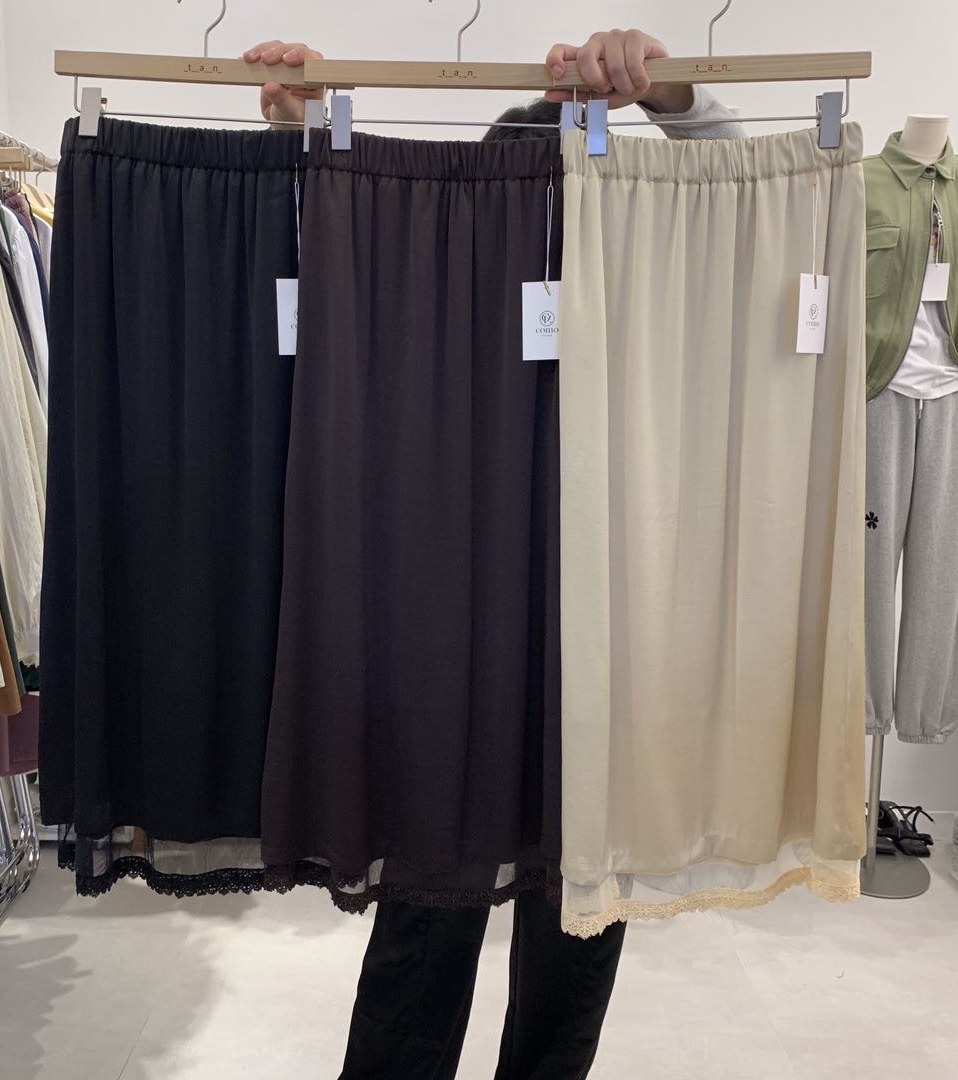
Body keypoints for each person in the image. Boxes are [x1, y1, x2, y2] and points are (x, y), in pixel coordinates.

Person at [243, 29, 745, 1080]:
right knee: (433, 908)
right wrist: (309, 131)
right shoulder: (433, 305)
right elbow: (335, 238)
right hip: (456, 641)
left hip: (603, 641)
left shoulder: (655, 276)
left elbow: (748, 198)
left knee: (578, 908)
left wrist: (676, 94)